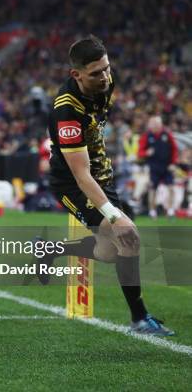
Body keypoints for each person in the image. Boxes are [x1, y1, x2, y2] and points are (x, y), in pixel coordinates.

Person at [38, 35, 174, 336]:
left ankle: (50, 248)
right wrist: (114, 214)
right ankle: (139, 318)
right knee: (129, 238)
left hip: (100, 176)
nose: (105, 77)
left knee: (111, 251)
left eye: (107, 69)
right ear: (76, 74)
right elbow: (80, 174)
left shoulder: (106, 83)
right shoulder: (66, 110)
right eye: (96, 73)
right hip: (72, 183)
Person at [138, 115, 179, 218]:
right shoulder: (147, 136)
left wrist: (173, 163)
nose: (155, 126)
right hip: (154, 167)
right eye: (153, 124)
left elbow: (174, 149)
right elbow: (139, 153)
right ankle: (152, 211)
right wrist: (146, 153)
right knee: (152, 189)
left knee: (171, 188)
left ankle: (170, 211)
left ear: (161, 124)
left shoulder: (167, 135)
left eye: (157, 124)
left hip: (167, 166)